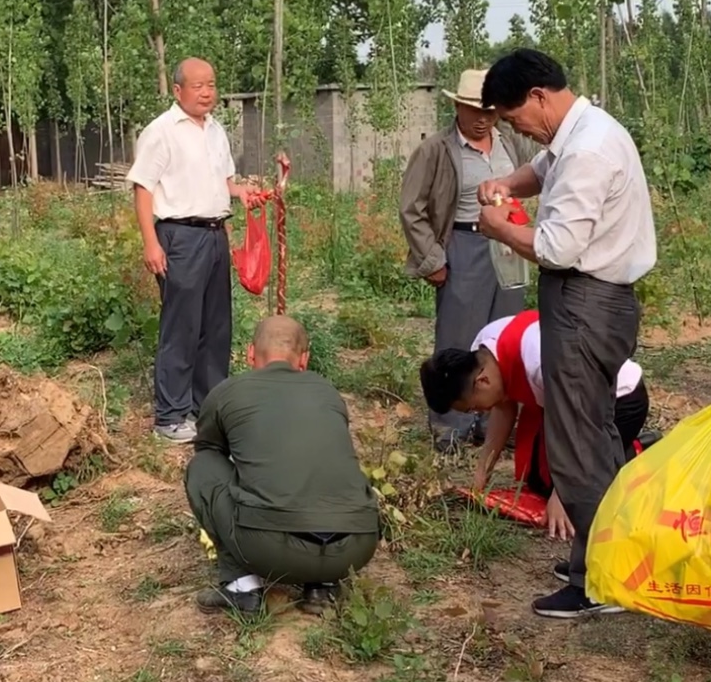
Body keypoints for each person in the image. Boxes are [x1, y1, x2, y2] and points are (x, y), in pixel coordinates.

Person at [473, 49, 656, 619]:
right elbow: (543, 171)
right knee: (594, 434)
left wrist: (502, 228)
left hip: (585, 301)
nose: (513, 128)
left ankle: (597, 582)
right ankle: (603, 555)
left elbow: (556, 247)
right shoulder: (581, 135)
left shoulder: (588, 150)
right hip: (590, 301)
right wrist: (508, 182)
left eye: (512, 117)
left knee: (575, 442)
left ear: (538, 98)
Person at [419, 310, 651, 567]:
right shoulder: (482, 352)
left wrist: (564, 494)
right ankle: (607, 460)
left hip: (616, 403)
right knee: (538, 479)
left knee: (582, 496)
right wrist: (482, 470)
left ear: (482, 381)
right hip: (563, 407)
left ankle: (636, 451)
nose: (478, 413)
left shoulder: (540, 361)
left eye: (473, 407)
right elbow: (504, 407)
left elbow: (574, 423)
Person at [184, 315, 381, 616]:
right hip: (356, 548)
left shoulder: (228, 391)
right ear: (304, 359)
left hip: (270, 551)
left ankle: (242, 587)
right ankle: (323, 586)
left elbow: (210, 448)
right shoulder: (328, 392)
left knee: (203, 466)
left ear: (250, 353)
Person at [400, 67, 535, 451]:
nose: (482, 119)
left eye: (490, 111)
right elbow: (412, 209)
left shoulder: (510, 143)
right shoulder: (437, 150)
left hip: (507, 245)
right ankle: (449, 425)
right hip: (463, 243)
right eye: (474, 110)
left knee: (504, 335)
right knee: (460, 337)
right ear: (457, 106)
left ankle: (491, 420)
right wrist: (432, 260)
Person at [127, 58, 261, 442]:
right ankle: (169, 417)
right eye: (198, 86)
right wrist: (151, 242)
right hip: (179, 237)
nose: (207, 93)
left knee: (217, 328)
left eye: (212, 85)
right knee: (182, 328)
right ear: (178, 90)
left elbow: (224, 181)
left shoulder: (216, 131)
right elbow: (143, 189)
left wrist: (241, 192)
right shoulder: (161, 132)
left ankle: (209, 407)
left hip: (215, 234)